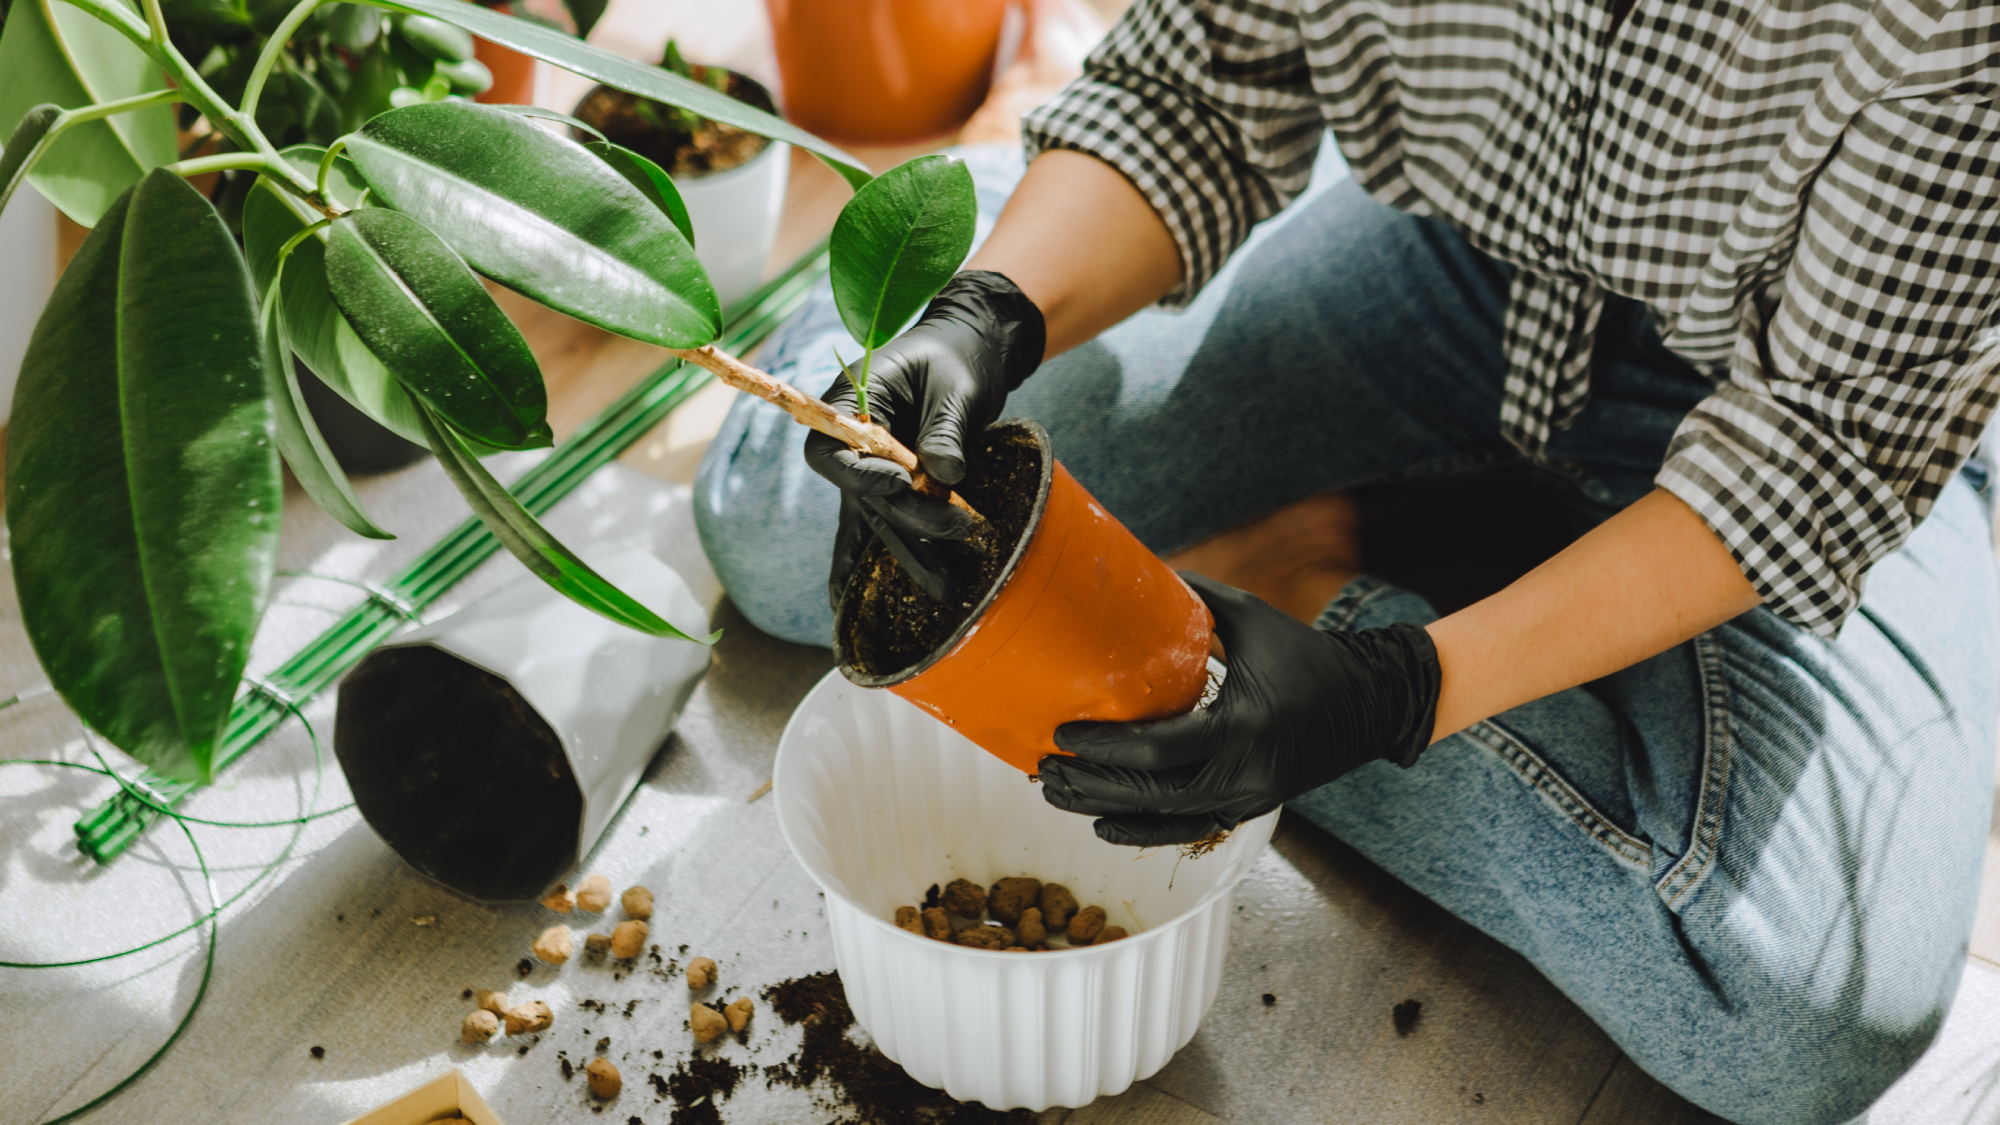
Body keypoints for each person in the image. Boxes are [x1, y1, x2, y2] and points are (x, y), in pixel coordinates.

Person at [694, 1, 2000, 1120]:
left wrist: (1393, 687)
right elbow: (1202, 84)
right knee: (791, 527)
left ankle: (1320, 585)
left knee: (1785, 1016)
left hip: (1821, 393)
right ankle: (1007, 217)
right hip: (1440, 255)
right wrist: (998, 303)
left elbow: (1813, 455)